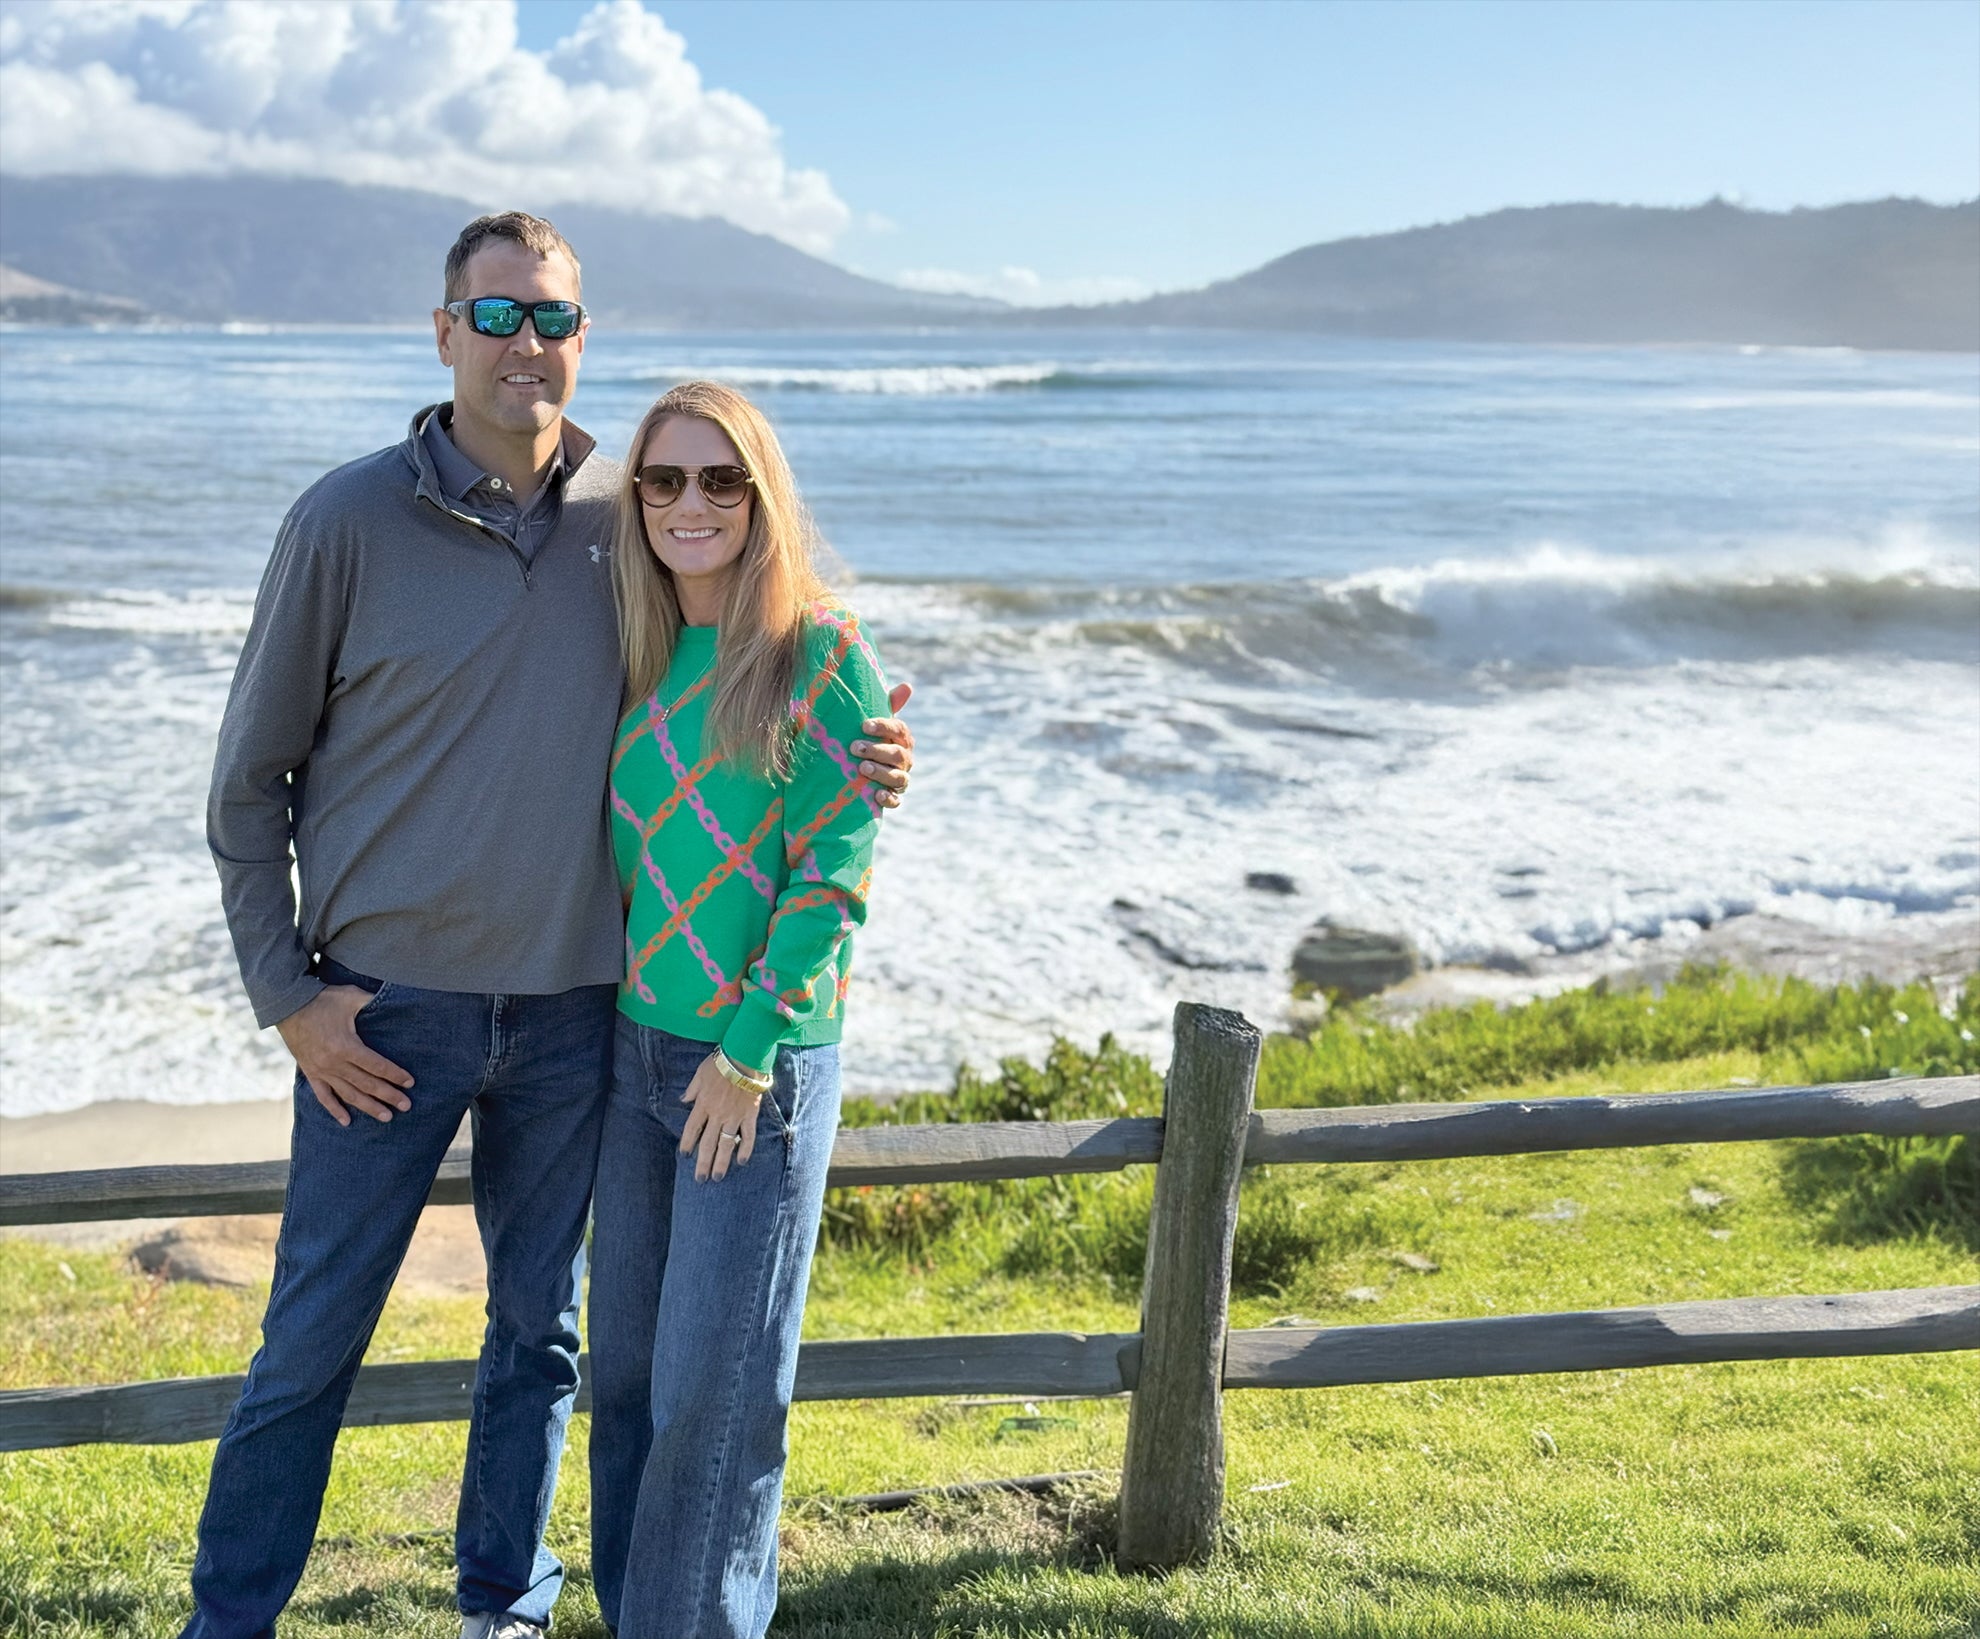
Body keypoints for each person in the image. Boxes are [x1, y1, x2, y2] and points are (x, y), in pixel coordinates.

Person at [188, 214, 913, 1639]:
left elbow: (768, 649)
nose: (530, 343)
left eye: (557, 318)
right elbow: (245, 782)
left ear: (585, 333)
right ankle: (230, 1620)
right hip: (382, 1016)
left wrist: (870, 749)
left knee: (541, 1336)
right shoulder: (345, 519)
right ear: (444, 327)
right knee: (308, 1344)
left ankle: (503, 1604)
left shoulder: (630, 513)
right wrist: (289, 994)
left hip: (587, 1010)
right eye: (500, 314)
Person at [585, 381, 889, 1639]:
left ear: (762, 497)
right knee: (629, 1389)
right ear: (637, 499)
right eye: (663, 480)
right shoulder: (635, 650)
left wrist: (748, 1052)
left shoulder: (821, 653)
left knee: (714, 1405)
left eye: (722, 481)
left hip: (748, 1075)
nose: (691, 504)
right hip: (632, 1057)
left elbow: (832, 874)